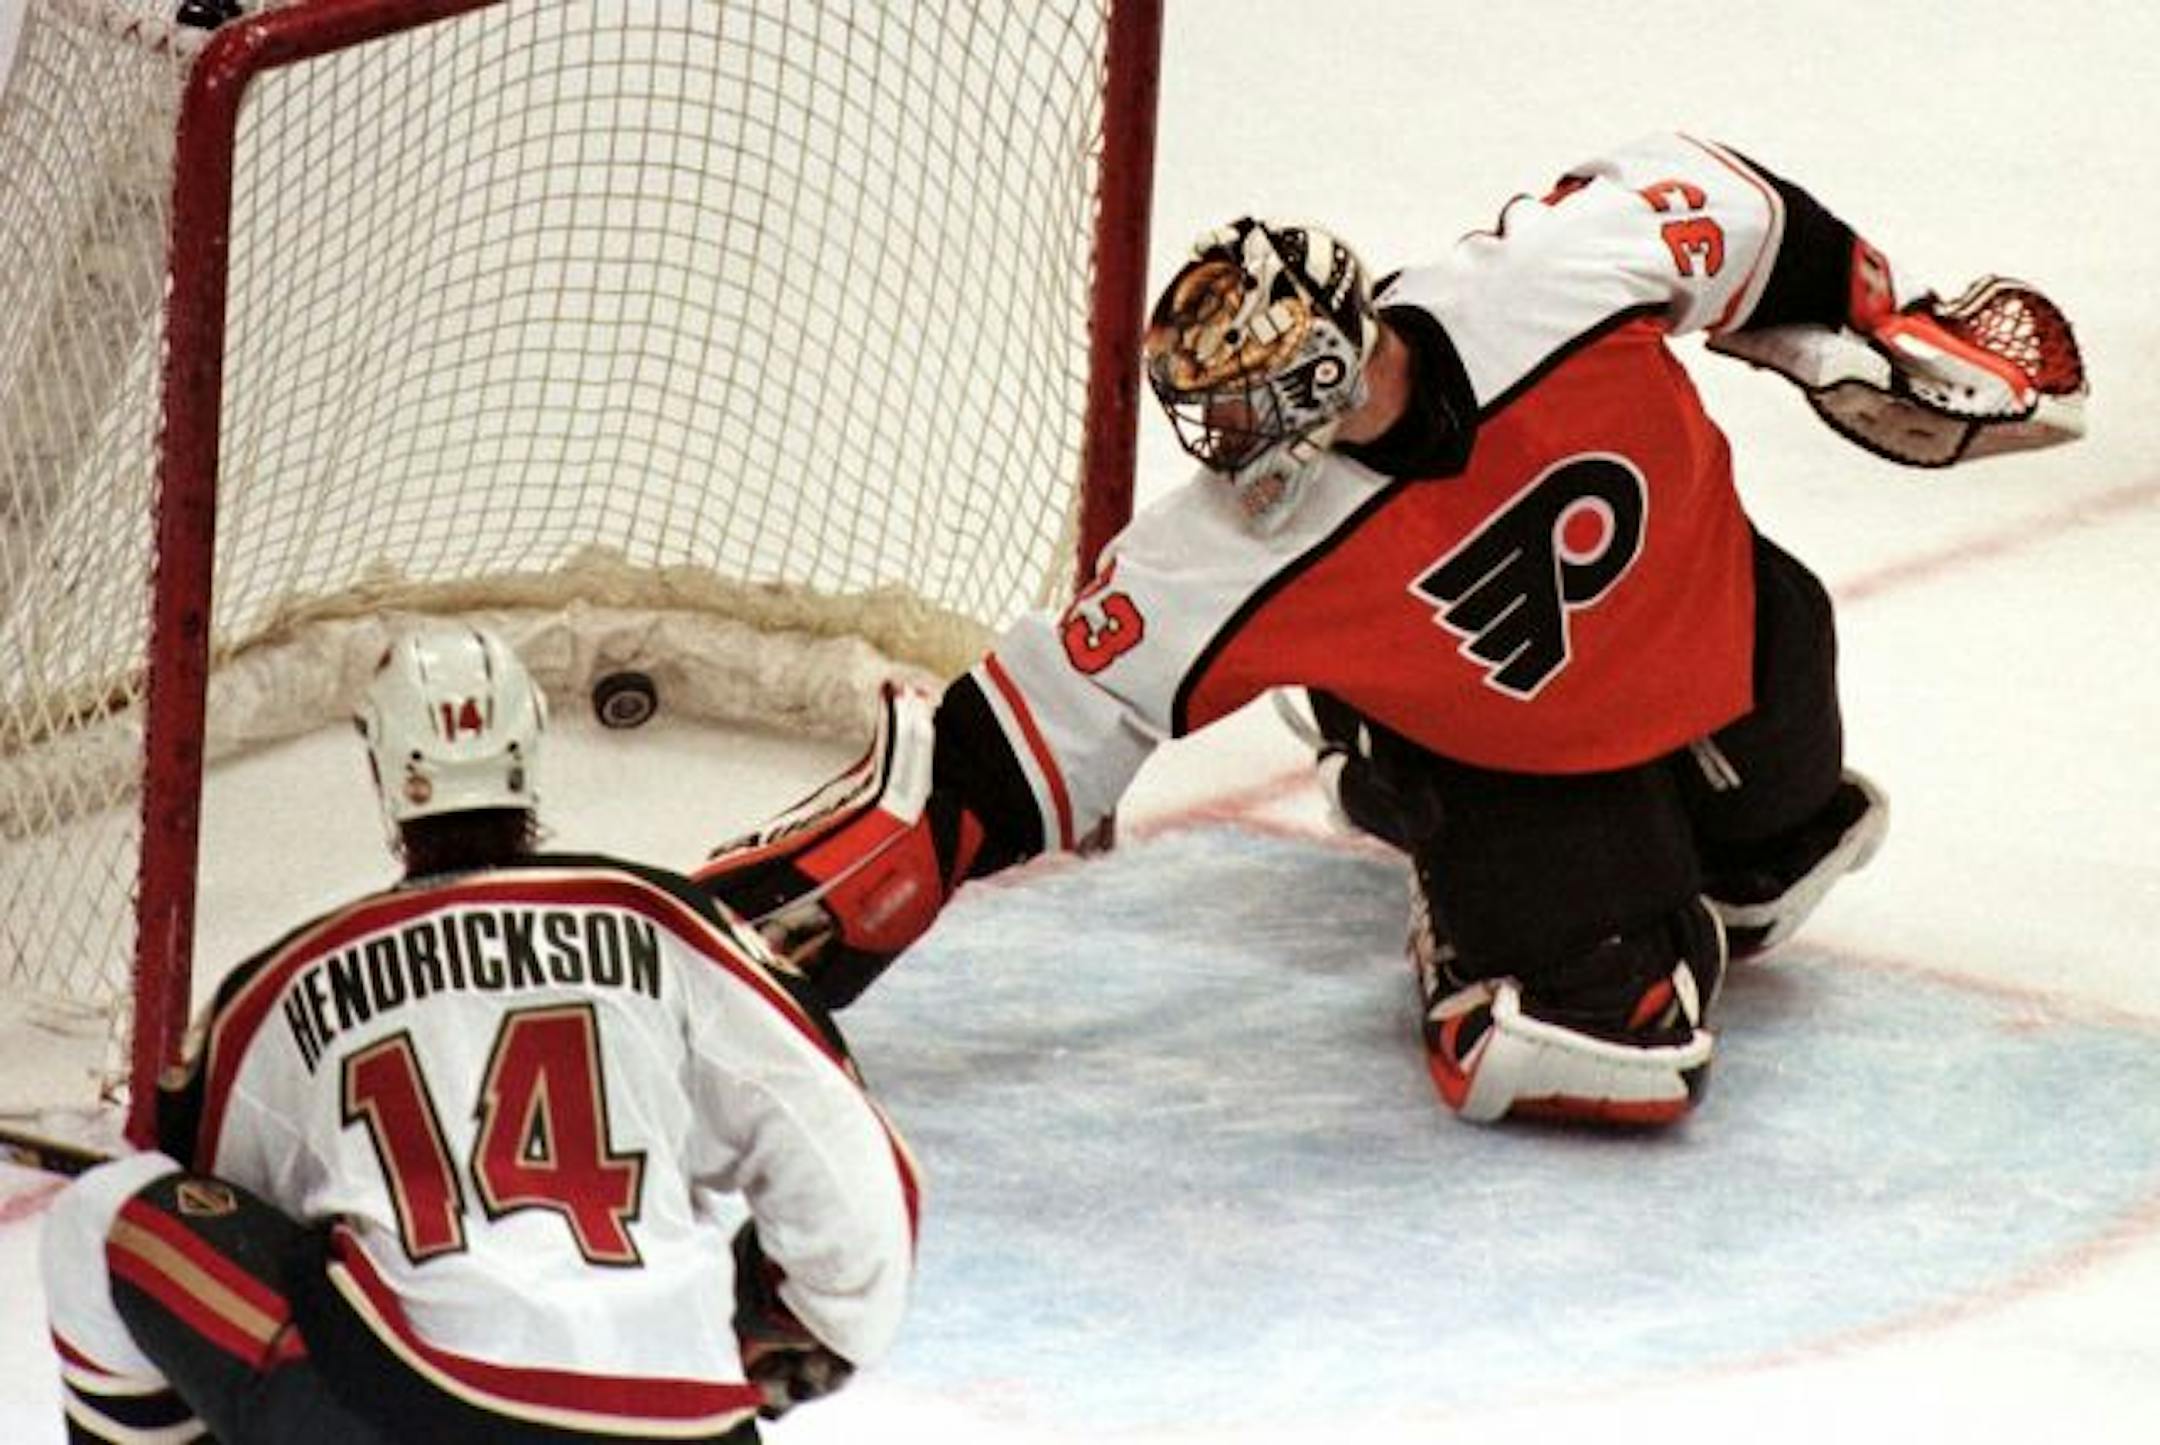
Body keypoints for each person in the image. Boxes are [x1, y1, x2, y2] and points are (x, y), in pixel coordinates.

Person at [694, 131, 2084, 1129]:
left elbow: (1739, 211)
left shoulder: (1547, 278)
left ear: (1326, 363)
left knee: (1783, 856)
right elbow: (1034, 730)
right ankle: (1412, 788)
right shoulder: (1222, 549)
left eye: (1244, 412)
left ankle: (1559, 799)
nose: (1224, 450)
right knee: (1610, 1045)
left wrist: (1866, 323)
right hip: (1523, 759)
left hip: (1739, 638)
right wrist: (830, 907)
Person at [43, 624, 919, 1444]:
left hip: (416, 1412)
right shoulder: (663, 921)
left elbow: (218, 1198)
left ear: (382, 765)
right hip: (683, 1426)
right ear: (530, 743)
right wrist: (797, 1321)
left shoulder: (282, 985)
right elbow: (857, 1179)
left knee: (101, 1218)